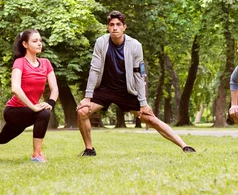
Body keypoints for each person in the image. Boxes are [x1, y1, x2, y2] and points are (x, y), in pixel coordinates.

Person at [77, 11, 196, 156]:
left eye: (118, 25)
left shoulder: (135, 45)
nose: (115, 28)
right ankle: (89, 149)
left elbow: (139, 75)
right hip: (104, 90)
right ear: (108, 27)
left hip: (126, 91)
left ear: (124, 27)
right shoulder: (101, 42)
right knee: (82, 111)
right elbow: (94, 70)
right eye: (112, 25)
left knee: (150, 119)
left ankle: (184, 146)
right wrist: (88, 97)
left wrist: (143, 103)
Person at [0, 29, 59, 163]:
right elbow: (15, 88)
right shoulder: (20, 62)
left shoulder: (46, 63)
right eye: (35, 41)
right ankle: (36, 155)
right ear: (25, 44)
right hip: (14, 111)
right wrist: (34, 108)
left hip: (29, 111)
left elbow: (55, 89)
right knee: (43, 114)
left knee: (3, 138)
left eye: (40, 41)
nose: (39, 43)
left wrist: (50, 104)